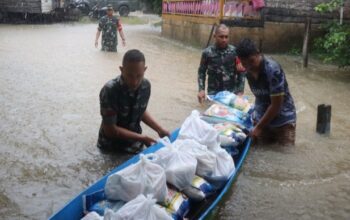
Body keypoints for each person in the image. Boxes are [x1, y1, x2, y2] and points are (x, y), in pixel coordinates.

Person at [97, 49, 170, 153]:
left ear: (144, 70)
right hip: (111, 148)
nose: (135, 82)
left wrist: (159, 129)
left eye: (139, 76)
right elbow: (110, 130)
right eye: (130, 75)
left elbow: (140, 110)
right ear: (121, 70)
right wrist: (143, 138)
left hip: (136, 145)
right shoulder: (110, 90)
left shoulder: (145, 86)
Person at [236, 38, 296, 145]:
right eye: (245, 63)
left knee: (286, 153)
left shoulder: (272, 70)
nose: (249, 66)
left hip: (283, 120)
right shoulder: (246, 71)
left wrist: (258, 127)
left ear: (258, 53)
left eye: (252, 61)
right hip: (262, 117)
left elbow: (276, 105)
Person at [197, 24, 246, 104]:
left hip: (231, 95)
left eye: (226, 37)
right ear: (215, 36)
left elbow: (242, 72)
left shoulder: (235, 52)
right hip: (213, 94)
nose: (224, 40)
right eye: (221, 37)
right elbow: (201, 72)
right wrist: (201, 90)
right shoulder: (207, 53)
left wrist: (240, 92)